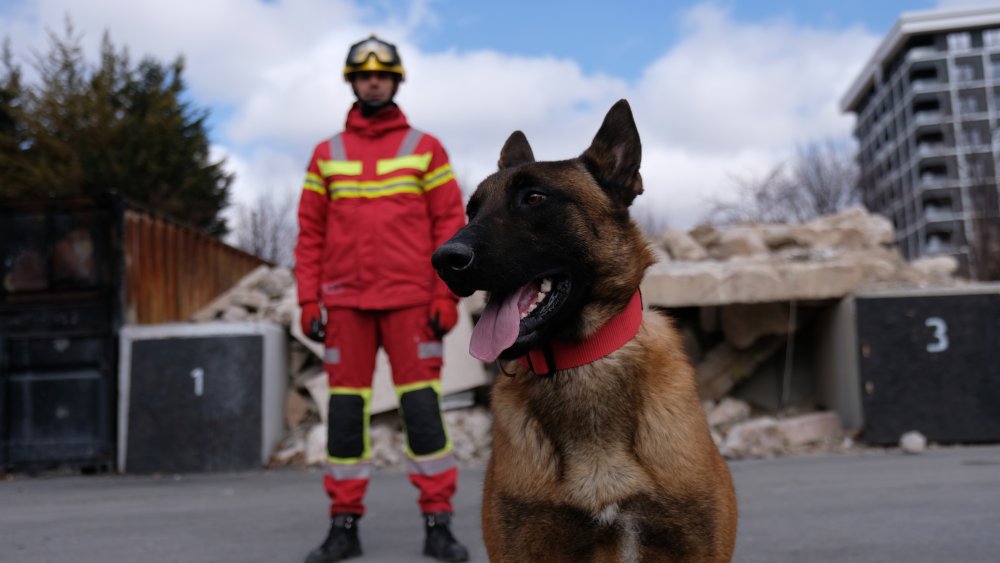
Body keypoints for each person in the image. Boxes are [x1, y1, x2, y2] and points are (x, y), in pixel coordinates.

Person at [294, 34, 469, 563]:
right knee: (346, 418)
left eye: (383, 73)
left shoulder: (426, 148)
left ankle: (438, 525)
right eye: (364, 74)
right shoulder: (327, 154)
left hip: (412, 304)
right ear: (353, 81)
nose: (374, 80)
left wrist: (447, 295)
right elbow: (309, 233)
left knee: (422, 414)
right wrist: (308, 300)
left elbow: (450, 226)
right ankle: (343, 527)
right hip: (345, 305)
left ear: (395, 81)